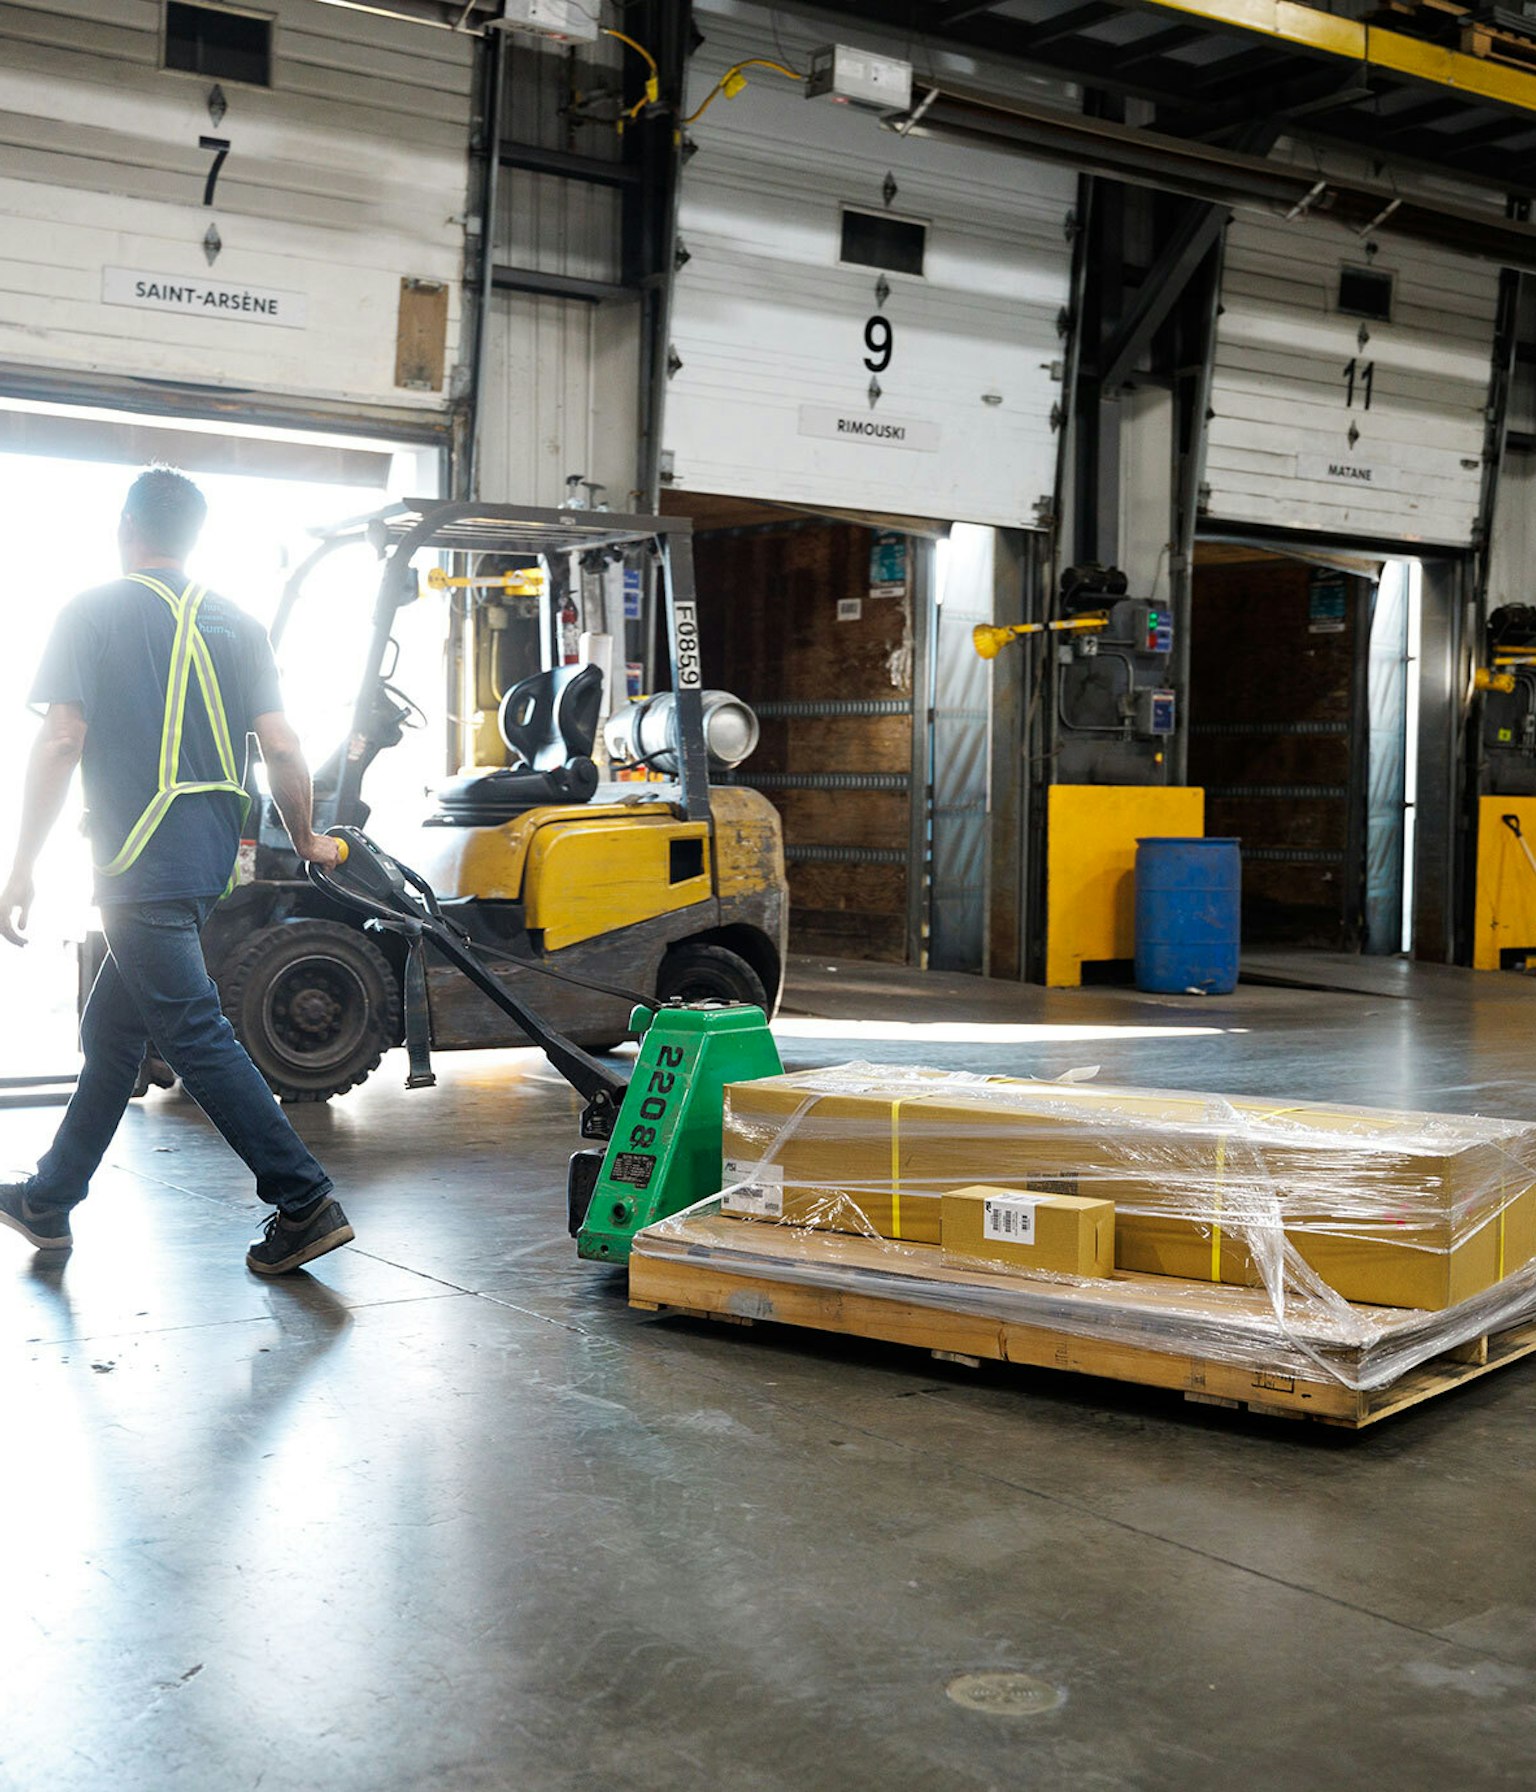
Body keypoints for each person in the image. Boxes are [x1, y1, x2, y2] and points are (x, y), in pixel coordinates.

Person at [0, 466, 354, 1276]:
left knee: (192, 1030)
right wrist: (309, 839)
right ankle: (49, 1200)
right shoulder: (239, 620)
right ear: (193, 536)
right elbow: (286, 746)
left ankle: (303, 1201)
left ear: (127, 526)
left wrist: (18, 866)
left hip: (135, 859)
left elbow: (61, 740)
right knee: (115, 1035)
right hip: (203, 863)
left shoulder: (89, 611)